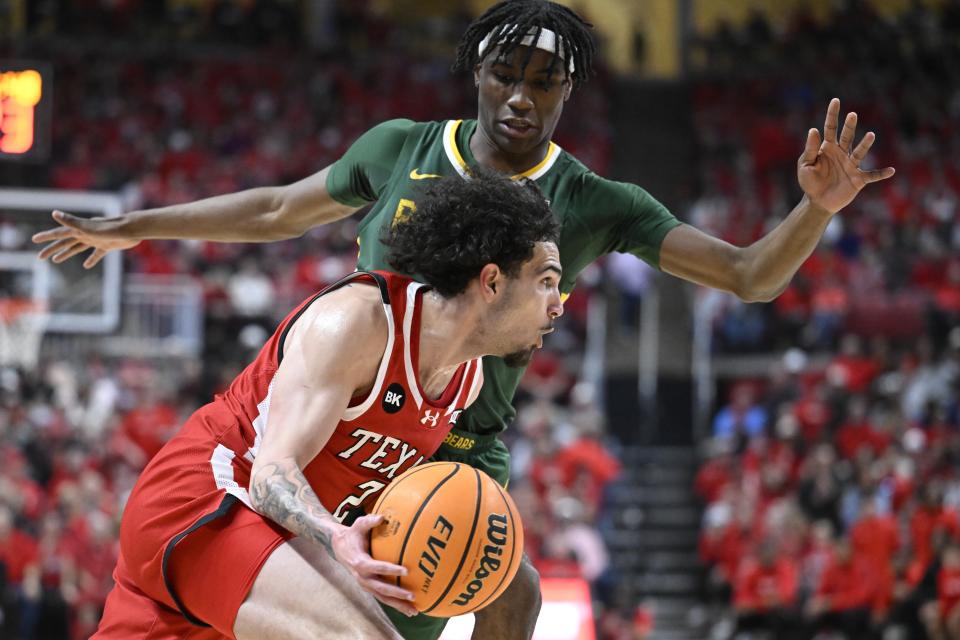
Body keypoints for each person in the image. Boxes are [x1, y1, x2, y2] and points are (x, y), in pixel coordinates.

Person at [32, 2, 896, 637]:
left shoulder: (593, 200)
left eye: (544, 82)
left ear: (569, 92)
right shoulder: (397, 163)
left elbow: (749, 274)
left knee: (506, 596)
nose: (521, 97)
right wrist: (139, 224)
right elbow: (272, 212)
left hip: (452, 433)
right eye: (505, 75)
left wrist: (815, 210)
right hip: (351, 404)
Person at [91, 169, 563, 639]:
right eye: (545, 281)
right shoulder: (358, 321)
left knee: (509, 590)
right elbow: (271, 473)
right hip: (207, 497)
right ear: (493, 282)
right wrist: (337, 536)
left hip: (279, 538)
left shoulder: (466, 379)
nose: (558, 304)